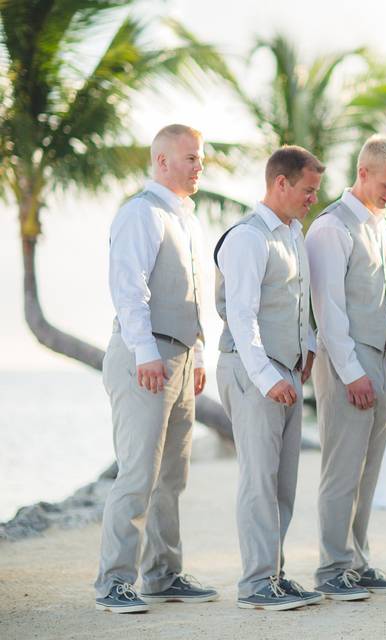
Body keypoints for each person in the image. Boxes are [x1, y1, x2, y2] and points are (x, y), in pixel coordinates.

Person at [95, 124, 218, 613]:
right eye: (190, 158)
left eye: (200, 157)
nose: (199, 165)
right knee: (137, 474)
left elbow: (193, 296)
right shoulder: (140, 214)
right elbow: (129, 289)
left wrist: (200, 354)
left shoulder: (188, 220)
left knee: (172, 476)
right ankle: (113, 583)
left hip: (182, 358)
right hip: (144, 358)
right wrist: (146, 351)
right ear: (162, 161)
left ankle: (163, 574)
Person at [215, 145, 323, 611]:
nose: (312, 199)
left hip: (287, 370)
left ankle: (274, 574)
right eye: (307, 190)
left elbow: (298, 301)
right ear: (281, 183)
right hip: (252, 369)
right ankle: (256, 584)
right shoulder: (247, 238)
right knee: (259, 479)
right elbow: (242, 315)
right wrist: (264, 376)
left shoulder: (294, 233)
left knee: (283, 482)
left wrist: (311, 347)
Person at [304, 135, 386, 600]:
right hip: (348, 363)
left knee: (369, 471)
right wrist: (352, 373)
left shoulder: (379, 224)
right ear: (363, 173)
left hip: (381, 360)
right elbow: (328, 312)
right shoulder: (331, 228)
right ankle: (331, 568)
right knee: (342, 469)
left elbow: (383, 293)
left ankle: (358, 562)